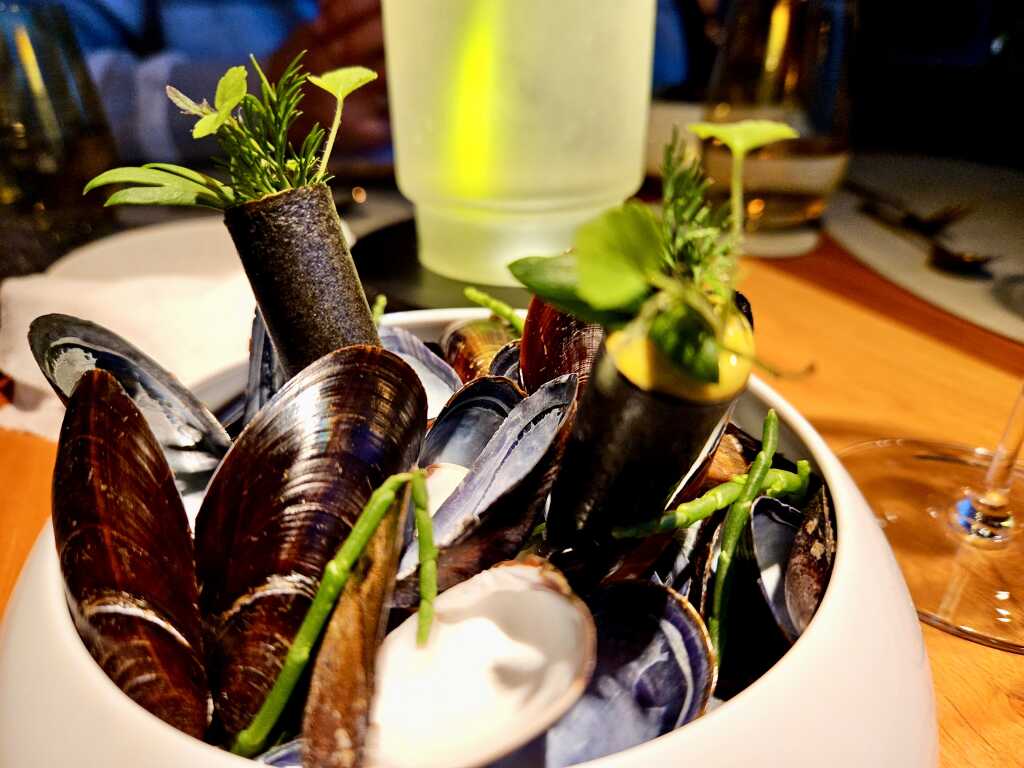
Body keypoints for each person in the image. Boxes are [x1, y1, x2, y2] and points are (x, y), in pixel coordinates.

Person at [44, 0, 700, 163]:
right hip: (207, 241)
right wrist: (259, 98)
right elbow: (33, 84)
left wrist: (529, 30)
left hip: (546, 197)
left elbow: (665, 52)